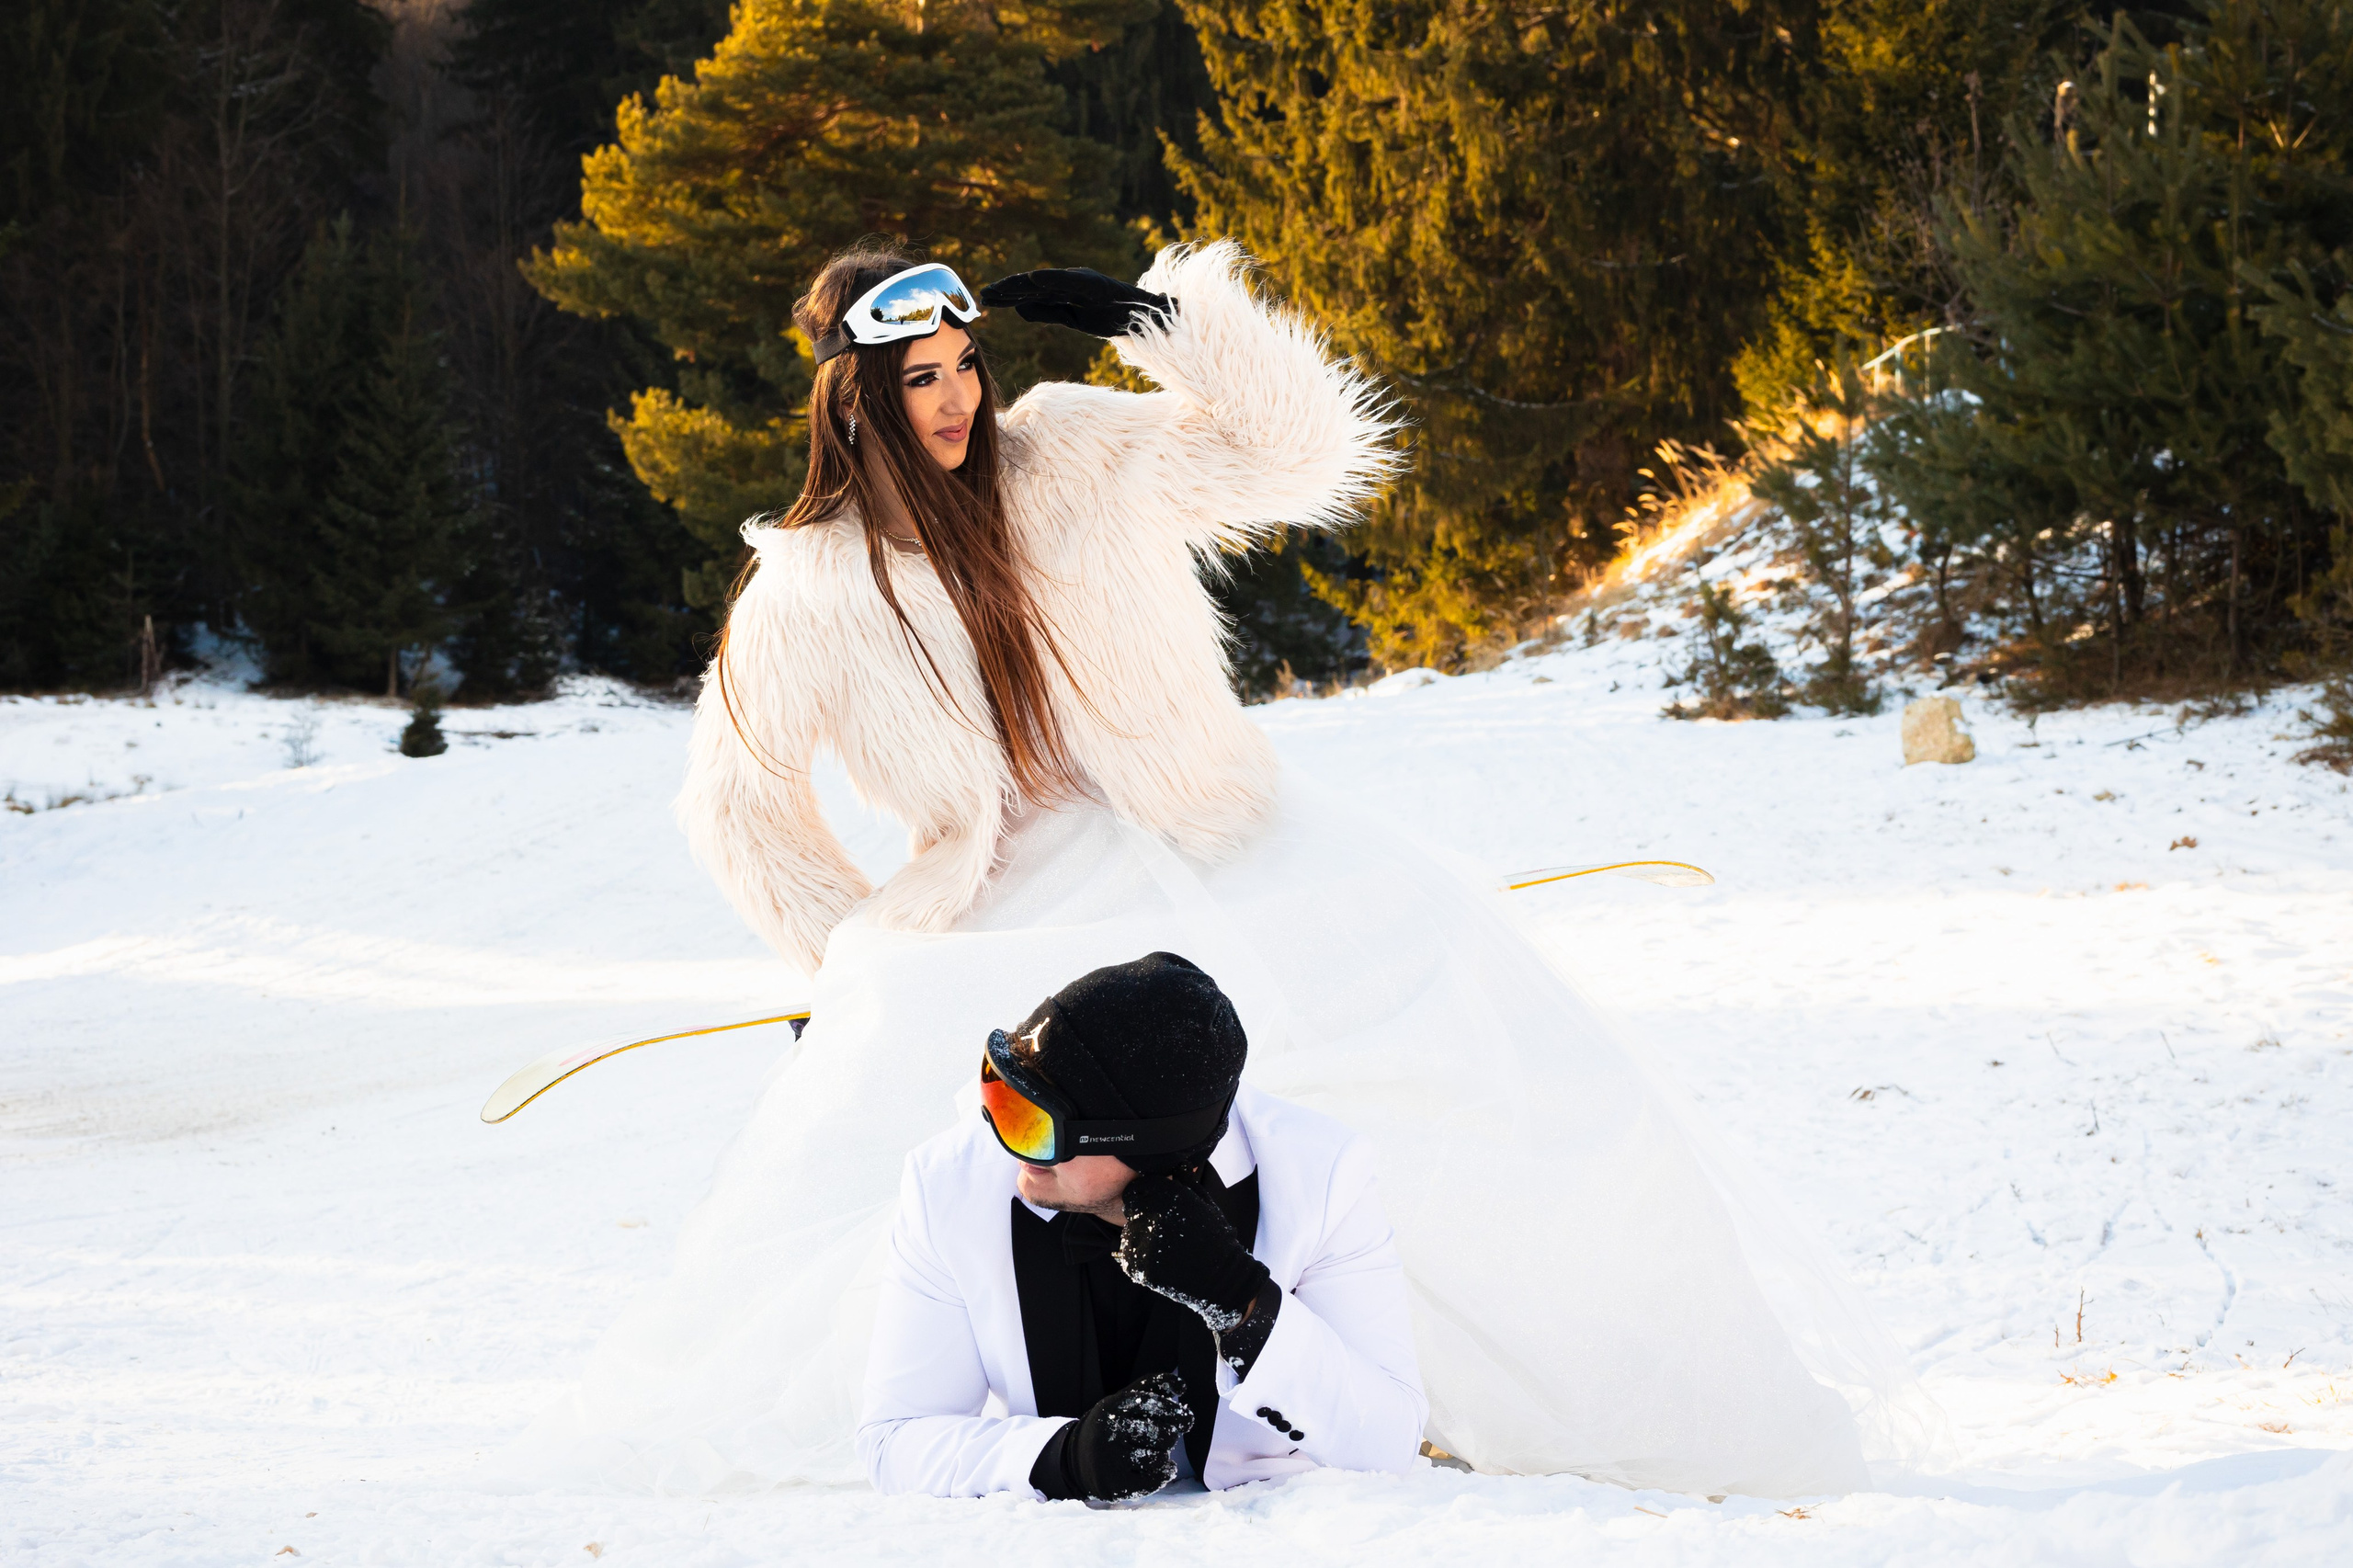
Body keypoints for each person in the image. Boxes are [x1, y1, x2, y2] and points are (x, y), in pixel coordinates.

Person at [513, 241, 1938, 1500]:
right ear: (848, 401)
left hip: (1219, 832)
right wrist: (856, 960)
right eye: (916, 379)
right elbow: (739, 808)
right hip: (1006, 904)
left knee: (1478, 1075)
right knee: (939, 1176)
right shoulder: (809, 585)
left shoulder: (1072, 447)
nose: (955, 399)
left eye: (963, 366)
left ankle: (1505, 1399)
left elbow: (1296, 458)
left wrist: (1163, 324)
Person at [858, 952, 1426, 1499]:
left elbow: (1389, 1440)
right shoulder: (948, 1185)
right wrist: (1063, 1458)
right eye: (1002, 1093)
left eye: (1037, 1123)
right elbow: (894, 1440)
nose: (1005, 1140)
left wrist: (1243, 1301)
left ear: (1147, 1147)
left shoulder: (1322, 1178)